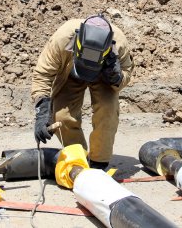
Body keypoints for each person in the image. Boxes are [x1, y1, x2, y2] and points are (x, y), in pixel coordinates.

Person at [31, 14, 134, 170]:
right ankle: (78, 158)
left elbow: (127, 73)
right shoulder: (63, 38)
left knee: (108, 110)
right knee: (61, 116)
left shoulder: (119, 43)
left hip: (104, 75)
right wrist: (42, 112)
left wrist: (116, 76)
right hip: (70, 72)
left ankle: (99, 162)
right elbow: (42, 75)